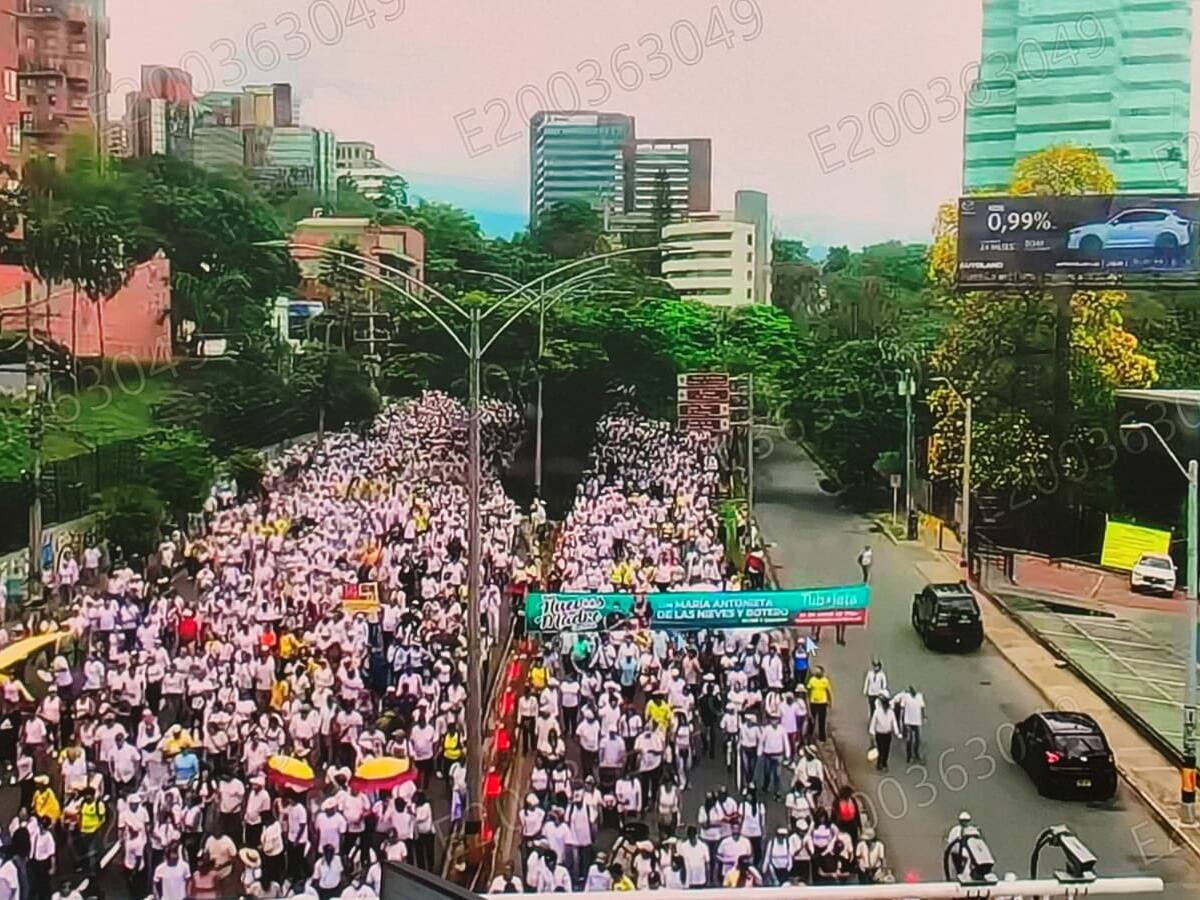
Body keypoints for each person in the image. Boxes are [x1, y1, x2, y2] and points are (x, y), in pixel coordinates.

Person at [868, 694, 901, 771]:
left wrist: (897, 733)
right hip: (879, 734)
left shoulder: (891, 712)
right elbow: (873, 723)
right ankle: (879, 764)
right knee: (880, 749)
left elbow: (894, 723)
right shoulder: (877, 712)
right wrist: (872, 733)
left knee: (886, 749)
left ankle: (884, 763)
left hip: (887, 734)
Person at [898, 685, 926, 763]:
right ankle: (909, 756)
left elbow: (922, 707)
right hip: (909, 721)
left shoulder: (919, 696)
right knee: (910, 739)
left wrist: (923, 717)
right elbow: (902, 708)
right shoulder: (907, 697)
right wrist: (902, 720)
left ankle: (915, 754)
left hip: (915, 721)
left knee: (916, 739)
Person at [806, 667, 832, 742]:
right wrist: (807, 700)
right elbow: (808, 690)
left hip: (823, 703)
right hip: (813, 702)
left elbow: (829, 691)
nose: (818, 673)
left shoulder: (825, 681)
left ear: (822, 672)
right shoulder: (812, 680)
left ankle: (822, 737)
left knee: (822, 721)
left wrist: (830, 701)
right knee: (812, 721)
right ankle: (809, 737)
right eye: (816, 672)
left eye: (819, 672)